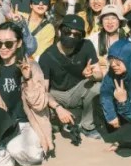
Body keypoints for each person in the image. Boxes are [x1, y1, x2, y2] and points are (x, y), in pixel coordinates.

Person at [0, 21, 53, 166]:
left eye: (8, 43)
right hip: (8, 126)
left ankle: (35, 150)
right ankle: (11, 151)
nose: (3, 48)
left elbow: (39, 104)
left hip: (30, 123)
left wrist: (28, 79)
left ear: (18, 43)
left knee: (16, 148)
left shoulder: (31, 66)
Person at [39, 14, 103, 143]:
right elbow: (43, 91)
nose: (71, 36)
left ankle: (87, 126)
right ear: (59, 31)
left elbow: (100, 74)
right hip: (56, 93)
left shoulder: (86, 45)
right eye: (67, 32)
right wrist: (58, 108)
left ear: (81, 37)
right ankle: (56, 118)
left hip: (77, 89)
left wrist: (92, 76)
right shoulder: (47, 56)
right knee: (41, 102)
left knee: (97, 87)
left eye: (77, 34)